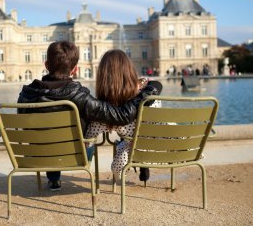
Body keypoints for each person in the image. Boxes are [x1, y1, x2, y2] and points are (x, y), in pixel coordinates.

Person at [17, 41, 160, 191]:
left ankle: (53, 179)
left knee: (49, 135)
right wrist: (148, 91)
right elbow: (120, 116)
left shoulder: (25, 95)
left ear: (46, 65)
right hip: (74, 155)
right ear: (75, 70)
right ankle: (124, 146)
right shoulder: (79, 96)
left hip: (34, 156)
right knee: (87, 135)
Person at [85, 49, 162, 185]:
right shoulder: (151, 94)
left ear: (103, 77)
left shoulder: (107, 109)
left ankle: (133, 153)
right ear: (130, 69)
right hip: (164, 148)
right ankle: (141, 160)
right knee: (136, 133)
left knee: (122, 154)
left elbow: (89, 138)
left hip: (133, 150)